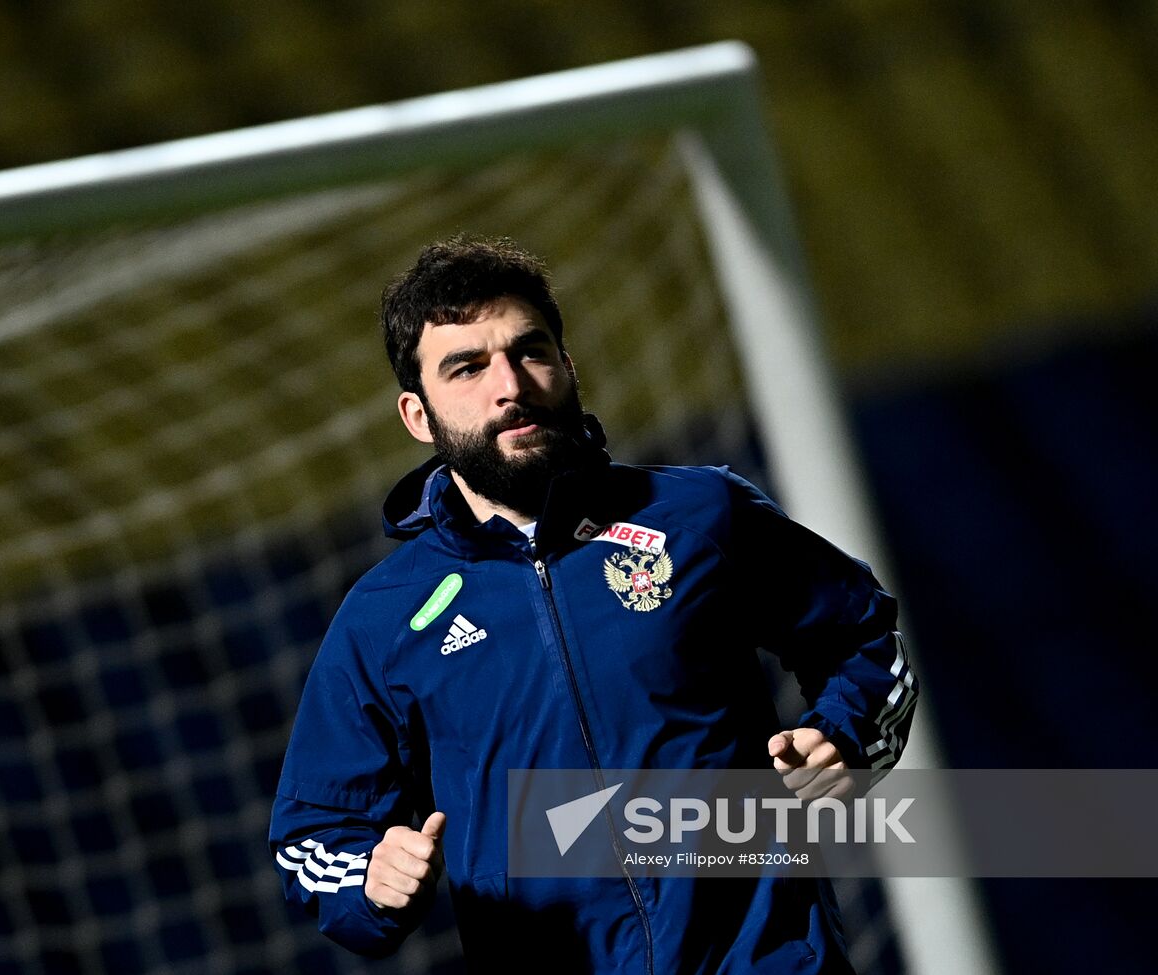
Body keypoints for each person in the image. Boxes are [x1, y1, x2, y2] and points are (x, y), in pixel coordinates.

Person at [269, 235, 916, 973]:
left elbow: (868, 641)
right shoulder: (383, 617)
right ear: (418, 415)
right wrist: (367, 881)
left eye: (529, 351)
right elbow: (313, 832)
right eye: (468, 367)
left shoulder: (699, 513)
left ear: (568, 368)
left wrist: (841, 739)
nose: (509, 384)